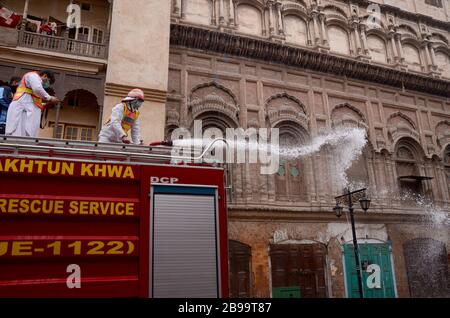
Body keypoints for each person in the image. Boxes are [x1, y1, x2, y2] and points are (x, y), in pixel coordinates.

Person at [5, 70, 60, 138]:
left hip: (25, 109)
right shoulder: (33, 76)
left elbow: (34, 103)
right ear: (45, 76)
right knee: (18, 131)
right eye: (48, 81)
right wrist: (50, 98)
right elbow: (37, 88)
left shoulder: (32, 92)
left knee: (26, 133)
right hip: (21, 109)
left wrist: (45, 105)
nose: (47, 85)